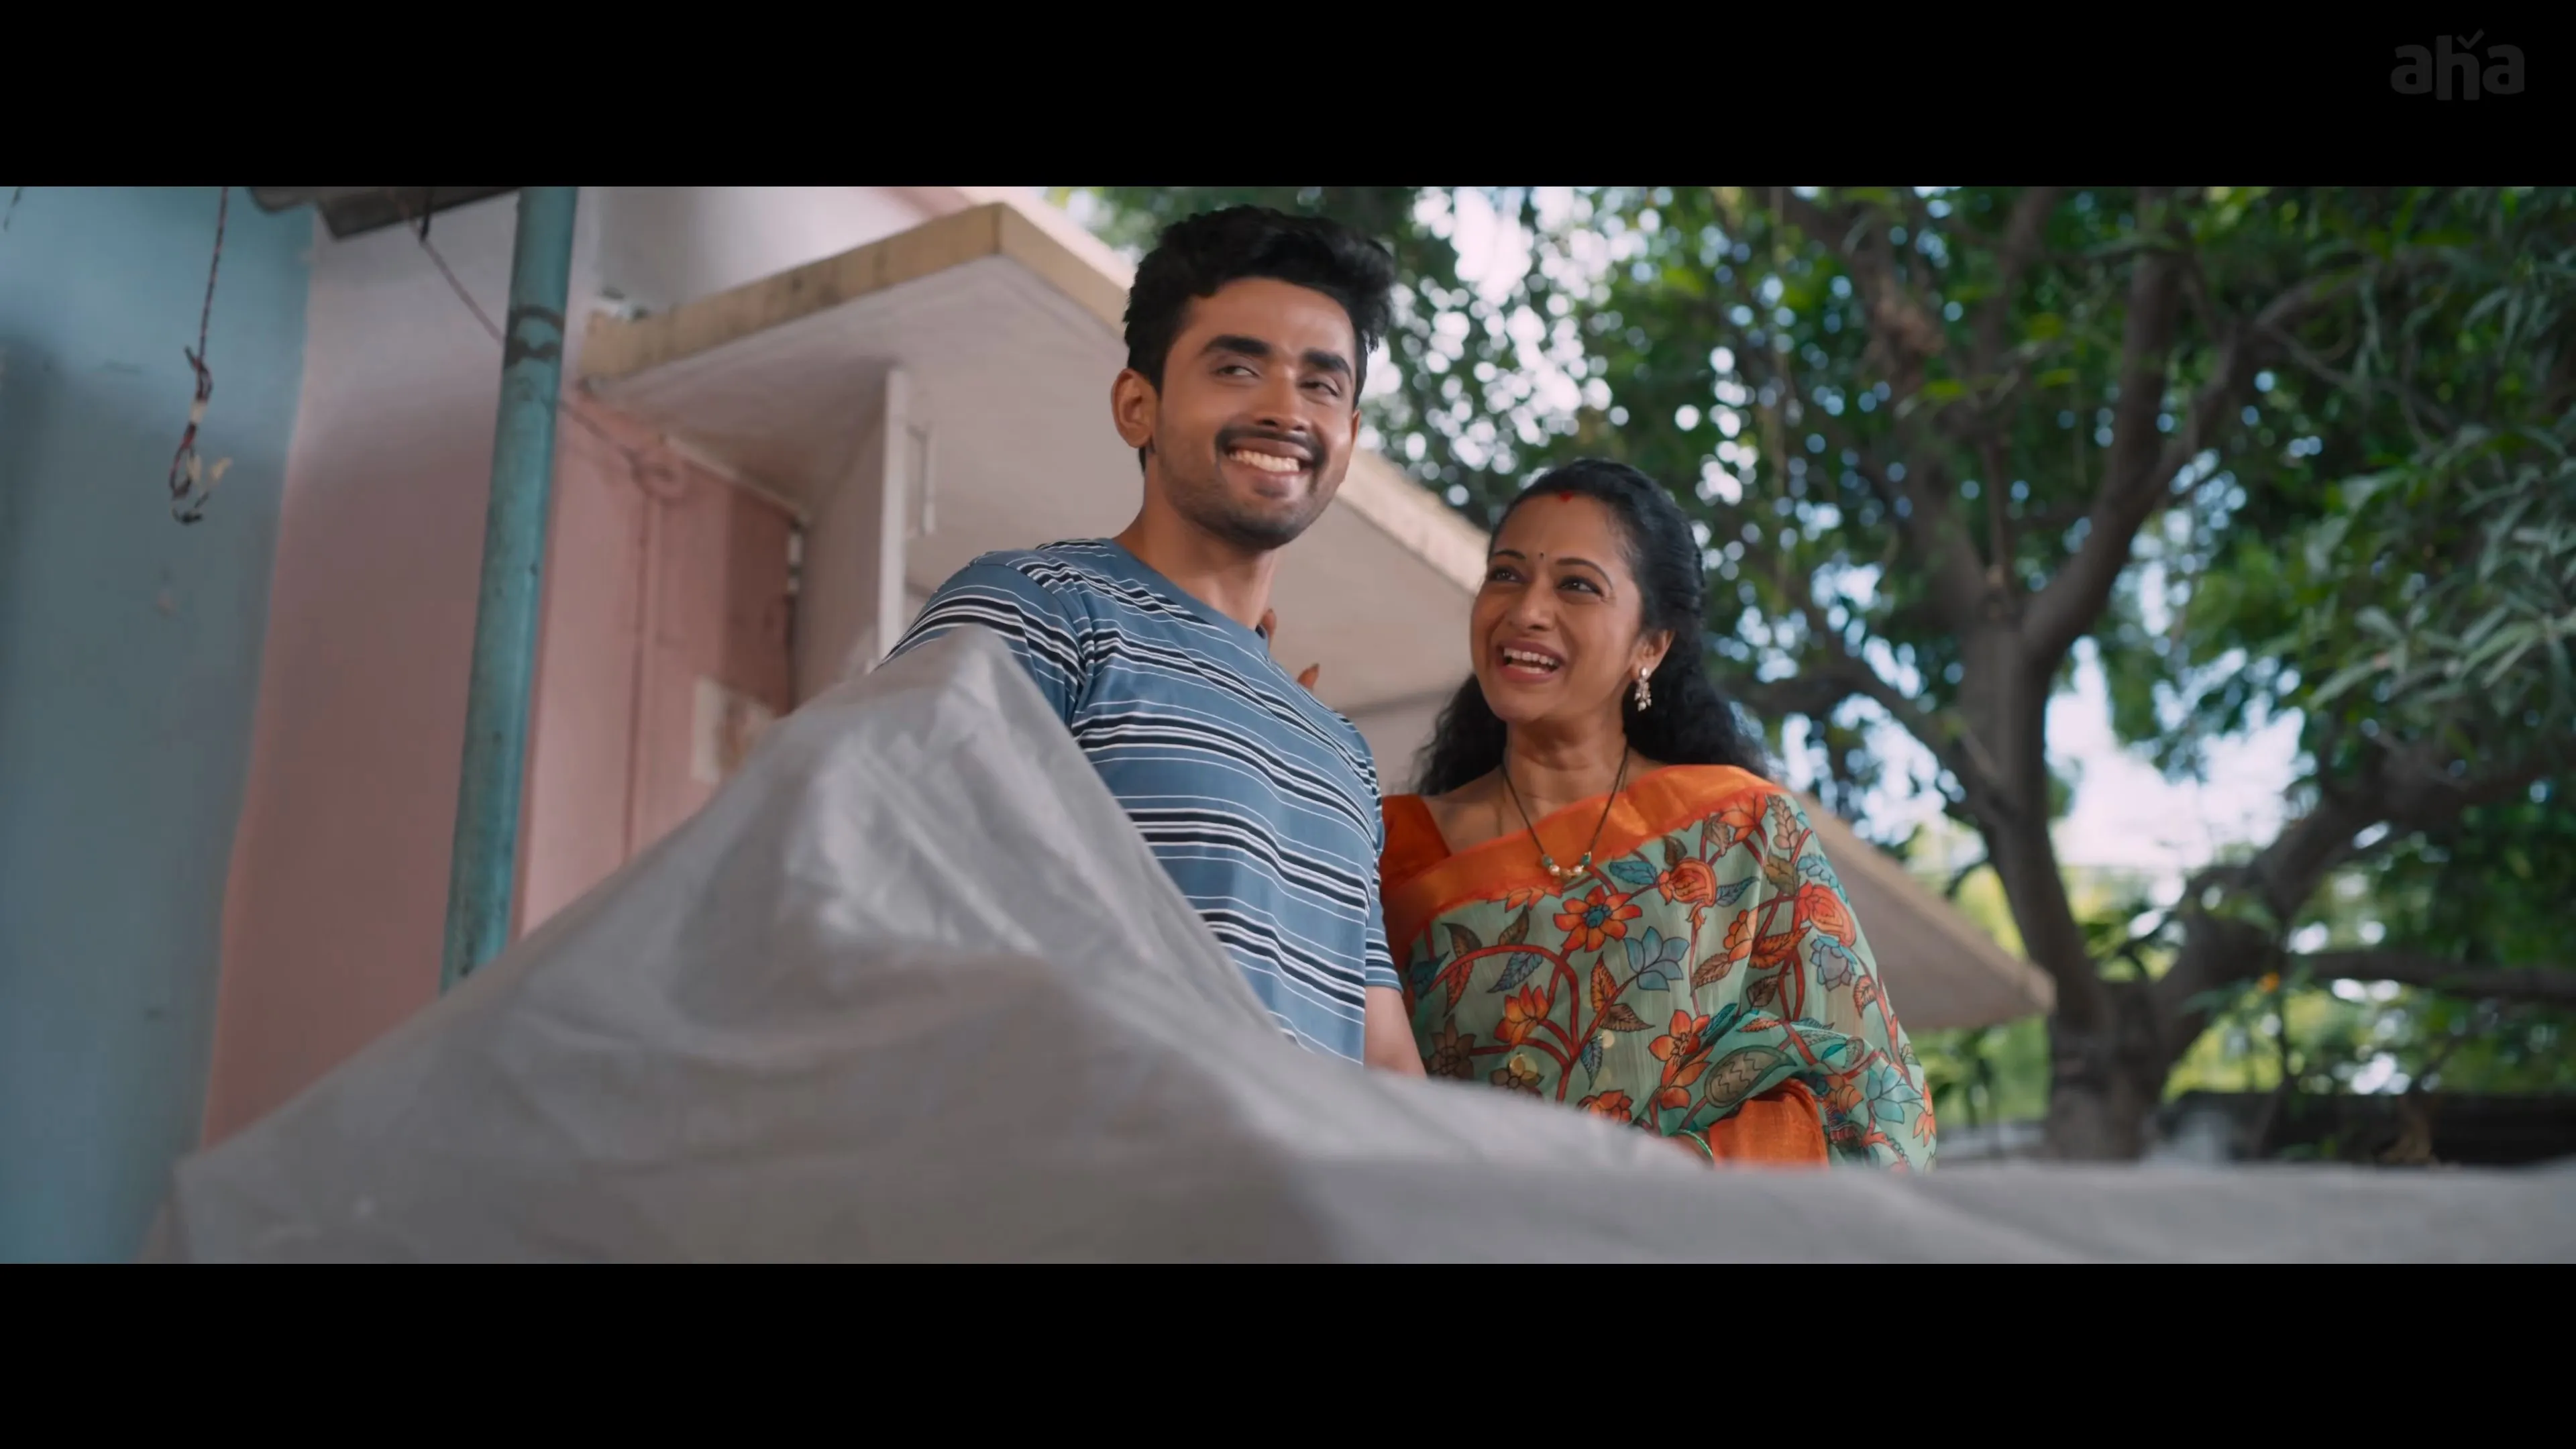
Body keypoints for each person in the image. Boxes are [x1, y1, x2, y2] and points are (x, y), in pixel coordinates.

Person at [887, 207, 1424, 1077]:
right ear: (1137, 405)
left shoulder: (1340, 752)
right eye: (1238, 367)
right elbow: (884, 890)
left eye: (1322, 385)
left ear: (1351, 436)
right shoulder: (1033, 613)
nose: (1285, 410)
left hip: (1302, 1169)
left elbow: (1384, 1054)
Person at [1376, 460, 1935, 1167]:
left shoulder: (1745, 830)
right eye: (1506, 575)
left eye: (1577, 585)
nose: (1526, 611)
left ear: (1651, 645)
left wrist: (1669, 1180)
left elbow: (1882, 1108)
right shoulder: (1394, 847)